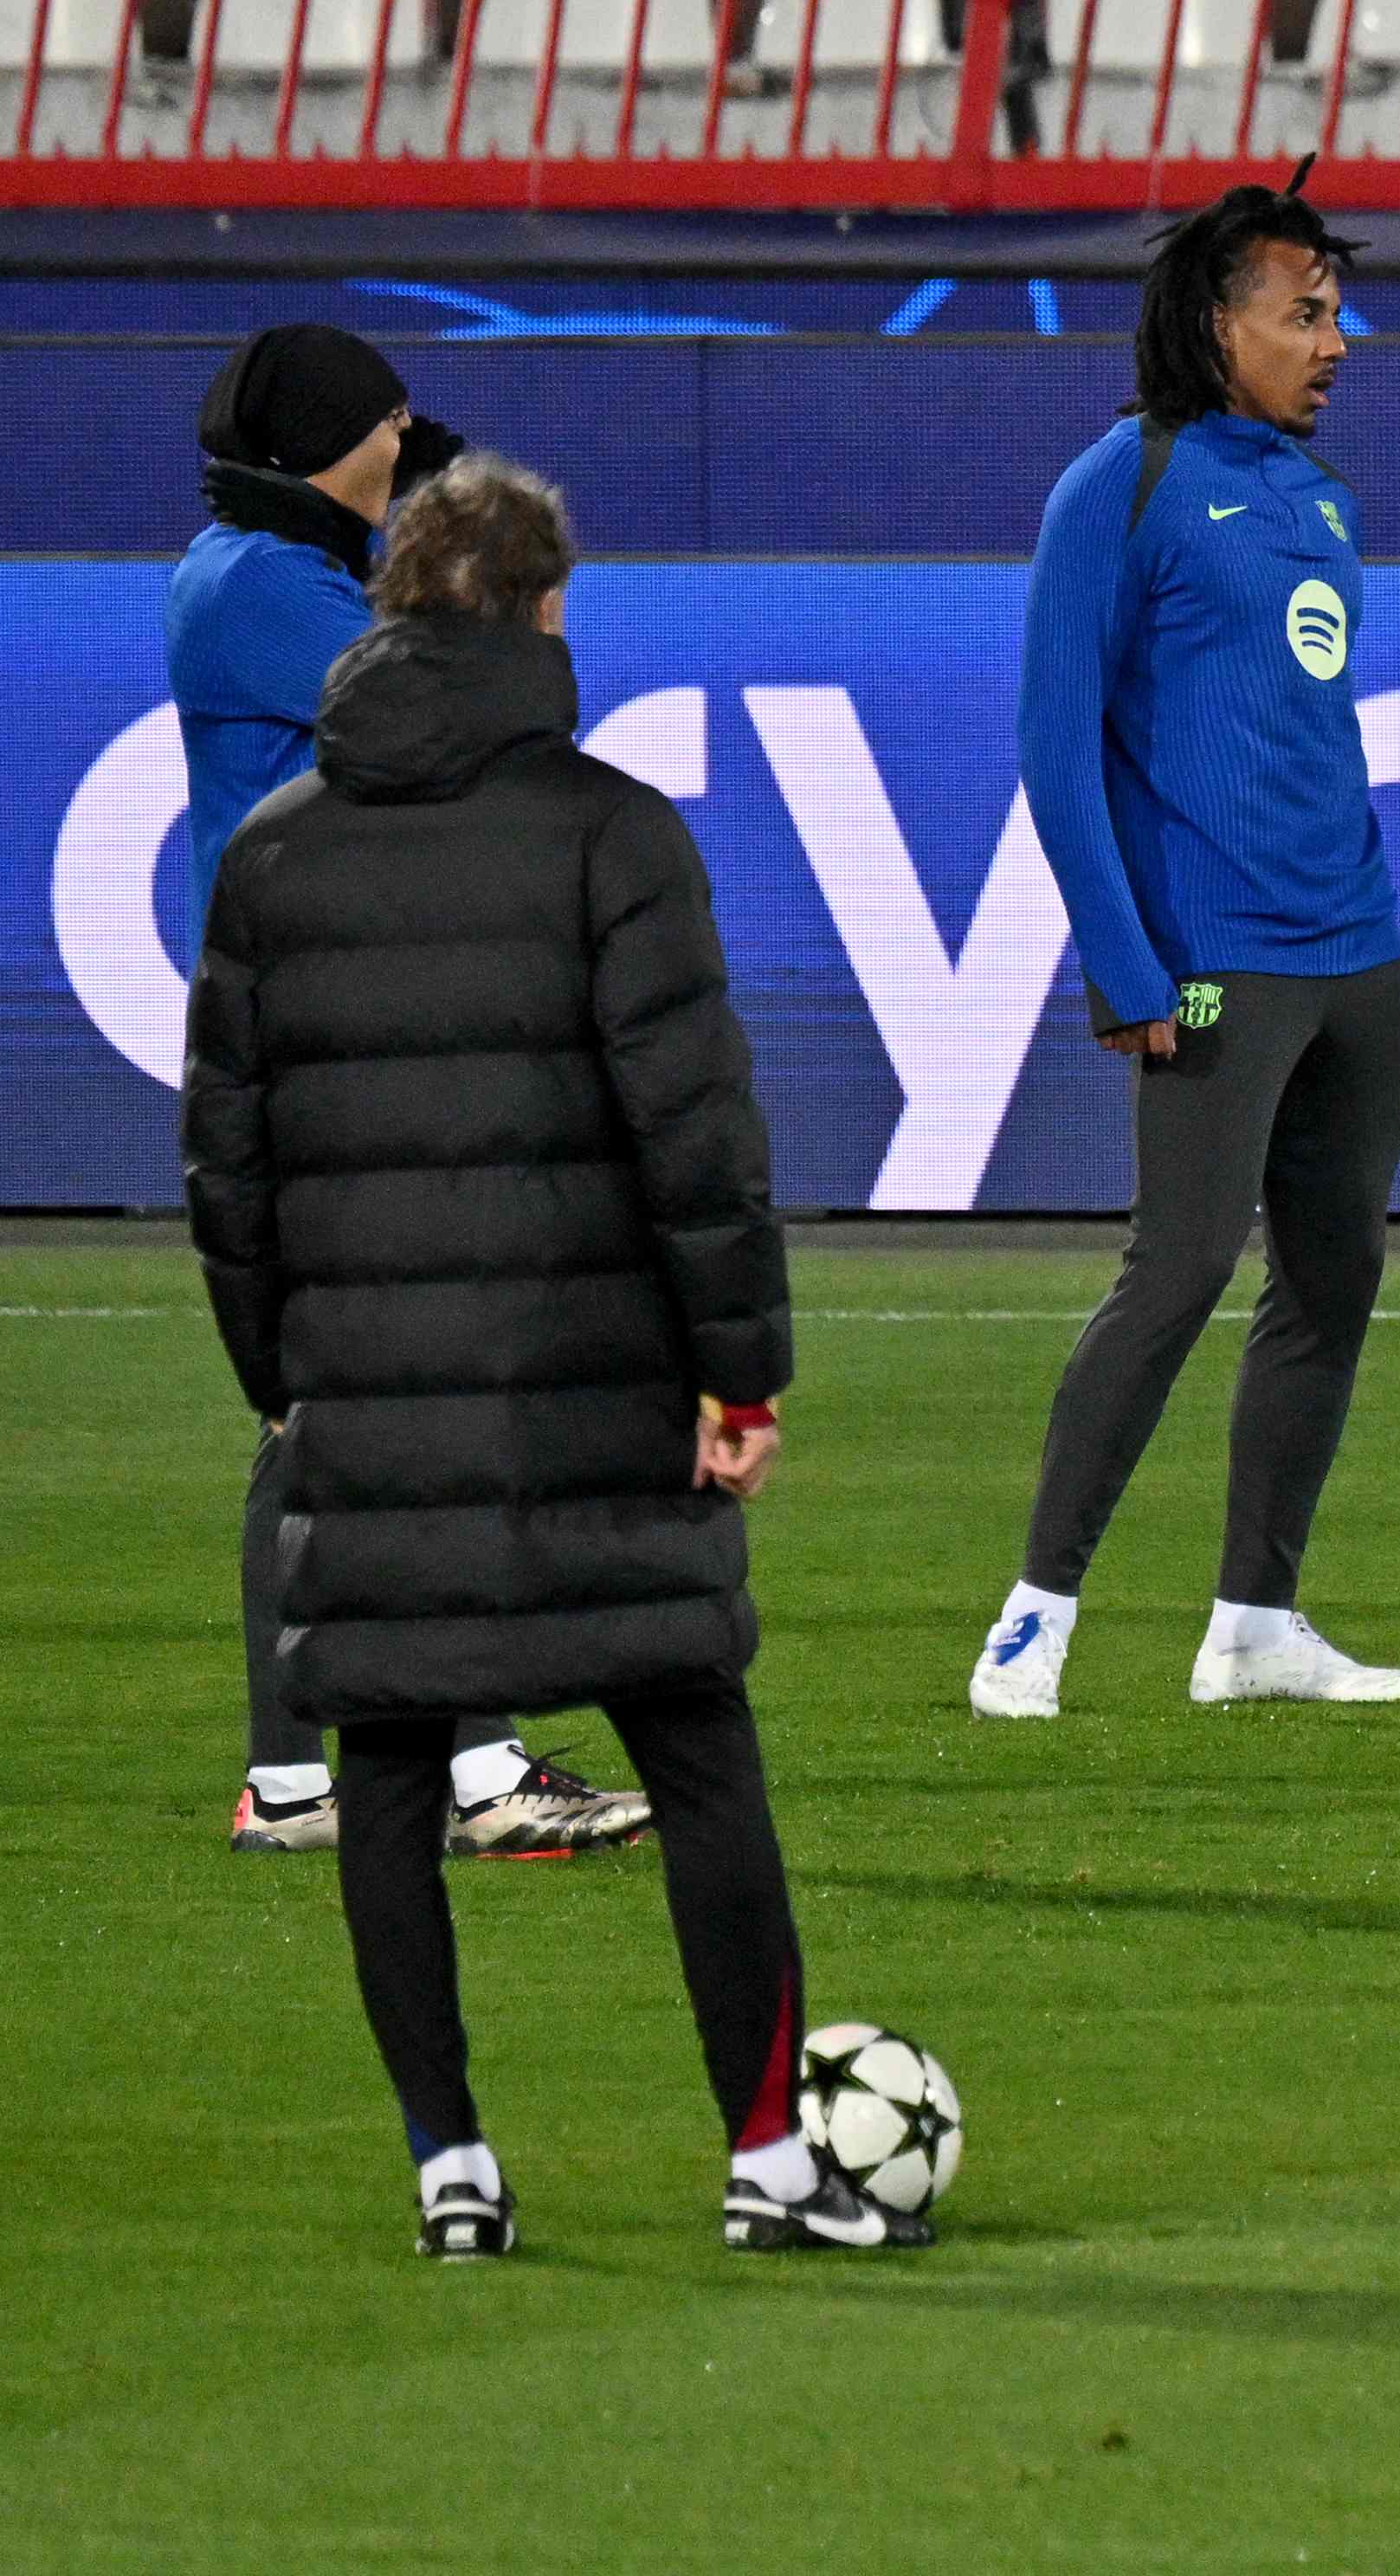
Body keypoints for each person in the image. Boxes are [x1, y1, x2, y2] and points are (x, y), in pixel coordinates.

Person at [184, 457, 923, 2255]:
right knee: (695, 1747)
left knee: (384, 1761)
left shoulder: (272, 853)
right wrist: (740, 1374)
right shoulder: (614, 831)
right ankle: (766, 2159)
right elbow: (699, 1136)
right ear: (541, 611)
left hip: (369, 1389)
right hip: (597, 1376)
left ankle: (450, 2162)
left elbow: (230, 1157)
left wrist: (277, 1371)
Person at [171, 323, 637, 1861]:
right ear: (327, 441)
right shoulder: (261, 589)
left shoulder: (260, 569)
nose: (407, 439)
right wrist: (492, 592)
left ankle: (313, 1780)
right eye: (388, 423)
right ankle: (473, 1772)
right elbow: (475, 715)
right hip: (336, 1028)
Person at [971, 173, 1400, 1720]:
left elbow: (1307, 726)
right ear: (1213, 324)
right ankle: (1033, 1620)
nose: (1335, 341)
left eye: (1334, 312)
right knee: (1172, 1279)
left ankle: (1255, 1624)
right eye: (1304, 314)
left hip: (1356, 955)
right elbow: (1055, 743)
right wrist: (1125, 961)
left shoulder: (1322, 495)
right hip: (1218, 957)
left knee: (1334, 1281)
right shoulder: (1122, 483)